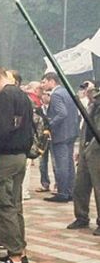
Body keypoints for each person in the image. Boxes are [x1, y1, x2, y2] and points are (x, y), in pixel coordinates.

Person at [0, 66, 33, 263]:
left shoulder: (4, 96)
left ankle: (14, 259)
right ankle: (21, 253)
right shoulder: (23, 95)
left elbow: (0, 128)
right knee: (15, 206)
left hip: (5, 157)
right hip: (21, 156)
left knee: (1, 205)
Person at [41, 72, 79, 202]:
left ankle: (62, 193)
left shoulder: (56, 94)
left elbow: (62, 113)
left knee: (61, 164)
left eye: (44, 81)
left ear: (52, 81)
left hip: (61, 134)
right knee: (69, 163)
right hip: (71, 132)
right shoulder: (68, 91)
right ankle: (70, 191)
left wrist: (50, 124)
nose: (43, 84)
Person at [67, 84, 100, 235]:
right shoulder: (92, 106)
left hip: (96, 152)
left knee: (98, 188)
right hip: (86, 150)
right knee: (80, 186)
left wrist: (88, 149)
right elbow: (85, 129)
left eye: (92, 91)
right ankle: (81, 216)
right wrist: (81, 150)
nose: (89, 93)